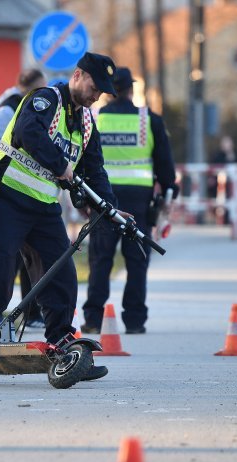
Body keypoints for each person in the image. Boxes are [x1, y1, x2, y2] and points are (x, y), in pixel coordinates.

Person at [0, 52, 123, 382]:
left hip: (42, 206)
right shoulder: (44, 99)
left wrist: (110, 207)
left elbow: (94, 169)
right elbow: (28, 133)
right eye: (96, 87)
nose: (97, 96)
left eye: (102, 93)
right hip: (6, 198)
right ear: (78, 75)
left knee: (61, 274)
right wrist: (61, 166)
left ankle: (62, 344)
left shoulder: (85, 123)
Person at [81, 67, 177, 335]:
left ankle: (93, 319)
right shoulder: (150, 121)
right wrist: (169, 192)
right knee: (137, 261)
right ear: (131, 89)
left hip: (102, 199)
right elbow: (165, 165)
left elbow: (81, 159)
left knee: (101, 260)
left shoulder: (95, 119)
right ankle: (134, 321)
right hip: (138, 201)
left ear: (109, 91)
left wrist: (83, 200)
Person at [0, 69, 48, 329]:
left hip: (27, 194)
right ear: (25, 87)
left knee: (28, 258)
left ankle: (32, 314)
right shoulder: (9, 109)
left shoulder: (24, 105)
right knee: (5, 264)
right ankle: (3, 321)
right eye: (39, 88)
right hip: (9, 195)